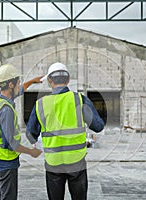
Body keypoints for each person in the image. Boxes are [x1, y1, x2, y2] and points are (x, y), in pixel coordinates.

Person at [26, 62, 105, 200]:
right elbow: (98, 126)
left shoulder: (41, 104)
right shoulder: (79, 100)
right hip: (76, 162)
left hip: (53, 163)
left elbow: (30, 133)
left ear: (49, 81)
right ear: (68, 80)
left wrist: (36, 141)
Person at [0, 63, 42, 200]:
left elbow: (21, 90)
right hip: (6, 161)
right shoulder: (6, 110)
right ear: (11, 85)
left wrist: (33, 81)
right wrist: (31, 152)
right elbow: (11, 143)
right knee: (8, 196)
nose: (20, 84)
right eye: (18, 82)